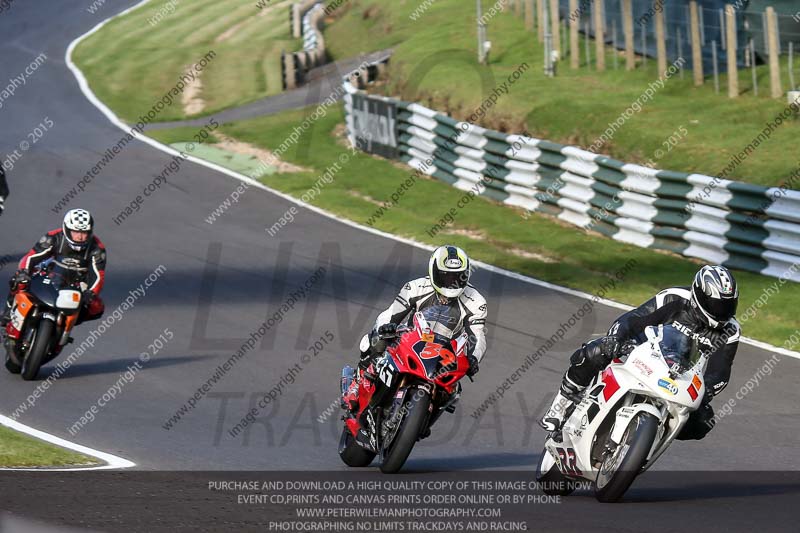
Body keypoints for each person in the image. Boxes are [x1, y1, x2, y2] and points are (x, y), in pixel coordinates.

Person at [540, 265, 740, 441]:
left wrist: (708, 391)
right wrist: (616, 339)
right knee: (596, 351)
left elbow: (720, 371)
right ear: (699, 295)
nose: (722, 311)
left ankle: (651, 438)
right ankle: (562, 403)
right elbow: (634, 318)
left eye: (728, 305)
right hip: (641, 353)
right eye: (717, 305)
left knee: (703, 423)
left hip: (680, 375)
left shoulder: (731, 330)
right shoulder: (674, 297)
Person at [349, 245, 487, 409]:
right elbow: (391, 313)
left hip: (445, 354)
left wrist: (474, 357)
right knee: (374, 340)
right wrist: (385, 327)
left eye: (457, 277)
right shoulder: (415, 287)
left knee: (453, 392)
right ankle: (358, 382)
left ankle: (424, 417)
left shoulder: (476, 302)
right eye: (446, 276)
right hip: (410, 341)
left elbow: (478, 336)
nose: (451, 283)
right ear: (434, 271)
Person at [2, 209, 106, 330]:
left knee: (96, 308)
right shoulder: (53, 237)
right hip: (50, 273)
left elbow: (98, 275)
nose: (80, 237)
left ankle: (65, 327)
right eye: (75, 232)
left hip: (78, 282)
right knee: (18, 280)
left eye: (84, 233)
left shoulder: (97, 249)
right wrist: (24, 271)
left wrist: (91, 293)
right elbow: (31, 257)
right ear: (67, 229)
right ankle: (8, 312)